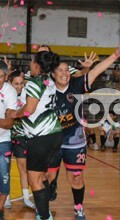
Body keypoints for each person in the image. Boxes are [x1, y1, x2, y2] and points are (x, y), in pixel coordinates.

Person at [47, 47, 120, 219]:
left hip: (74, 141)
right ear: (52, 74)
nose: (64, 73)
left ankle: (78, 208)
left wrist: (114, 56)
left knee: (76, 179)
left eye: (66, 70)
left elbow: (96, 70)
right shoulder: (46, 89)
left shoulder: (77, 85)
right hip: (51, 141)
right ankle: (43, 207)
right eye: (60, 70)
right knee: (48, 177)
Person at [8, 51, 63, 220]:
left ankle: (44, 216)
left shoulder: (35, 82)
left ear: (37, 65)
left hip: (41, 136)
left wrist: (13, 113)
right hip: (54, 134)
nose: (30, 65)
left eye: (32, 62)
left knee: (34, 180)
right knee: (40, 175)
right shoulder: (49, 81)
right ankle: (44, 213)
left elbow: (29, 110)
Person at [5, 71, 35, 209]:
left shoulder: (27, 98)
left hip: (21, 136)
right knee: (5, 168)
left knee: (23, 168)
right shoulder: (5, 95)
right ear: (9, 83)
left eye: (21, 84)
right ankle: (6, 197)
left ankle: (26, 198)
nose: (19, 86)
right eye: (15, 83)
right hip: (5, 135)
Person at [0, 61, 17, 220]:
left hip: (3, 139)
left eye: (1, 76)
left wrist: (4, 121)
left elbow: (9, 123)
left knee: (4, 176)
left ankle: (0, 211)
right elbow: (3, 121)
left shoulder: (10, 92)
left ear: (6, 76)